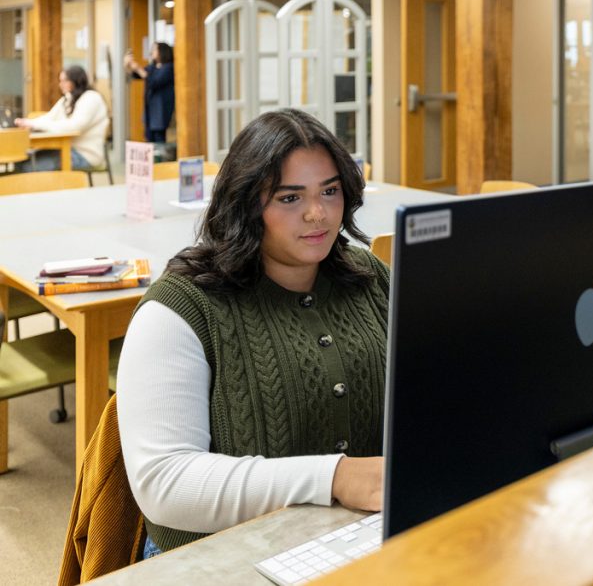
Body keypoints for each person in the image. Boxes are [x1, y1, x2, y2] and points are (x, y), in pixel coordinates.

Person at [117, 109, 389, 557]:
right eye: (289, 198)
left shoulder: (368, 277)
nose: (318, 214)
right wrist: (334, 478)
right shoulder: (182, 309)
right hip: (220, 559)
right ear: (245, 204)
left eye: (330, 190)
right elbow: (164, 482)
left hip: (355, 542)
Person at [13, 65, 109, 171]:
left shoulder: (91, 98)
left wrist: (35, 124)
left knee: (29, 167)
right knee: (21, 161)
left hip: (85, 155)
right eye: (60, 81)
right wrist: (28, 123)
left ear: (76, 81)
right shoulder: (68, 98)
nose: (61, 85)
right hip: (66, 149)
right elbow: (49, 118)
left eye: (65, 81)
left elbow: (75, 127)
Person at [123, 42, 175, 143]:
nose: (152, 52)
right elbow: (138, 75)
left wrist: (137, 68)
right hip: (150, 112)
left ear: (162, 51)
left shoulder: (168, 68)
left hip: (161, 112)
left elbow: (154, 81)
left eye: (155, 49)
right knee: (148, 140)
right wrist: (128, 65)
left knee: (159, 142)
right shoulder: (152, 67)